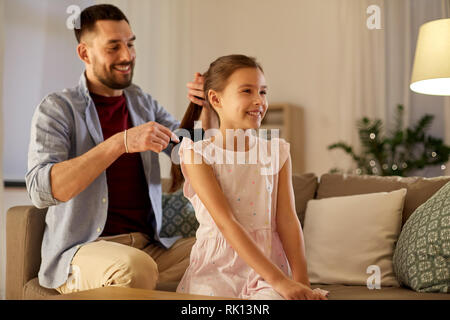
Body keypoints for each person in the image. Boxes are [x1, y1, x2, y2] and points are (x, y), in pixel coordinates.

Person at [25, 4, 202, 293]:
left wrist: (201, 109)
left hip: (150, 247)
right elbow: (41, 190)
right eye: (113, 47)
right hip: (83, 251)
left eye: (130, 44)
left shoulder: (142, 102)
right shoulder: (57, 108)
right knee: (135, 267)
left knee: (226, 250)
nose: (127, 56)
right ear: (84, 53)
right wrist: (120, 143)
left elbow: (185, 152)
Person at [171, 54, 330, 300]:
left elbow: (287, 220)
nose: (259, 101)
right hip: (216, 270)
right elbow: (226, 223)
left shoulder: (276, 151)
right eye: (247, 91)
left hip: (267, 270)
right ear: (215, 98)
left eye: (263, 92)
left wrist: (300, 282)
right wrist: (281, 282)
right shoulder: (196, 154)